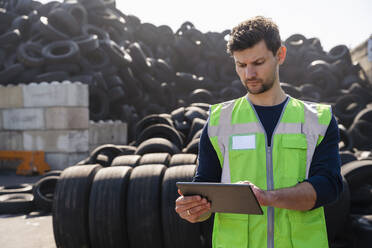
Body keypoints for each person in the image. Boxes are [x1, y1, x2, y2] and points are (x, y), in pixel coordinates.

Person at [175, 16, 343, 248]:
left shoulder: (318, 121)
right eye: (241, 65)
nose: (249, 74)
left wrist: (266, 197)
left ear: (280, 55)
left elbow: (328, 186)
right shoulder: (218, 122)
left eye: (258, 62)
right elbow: (206, 187)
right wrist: (194, 210)